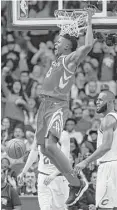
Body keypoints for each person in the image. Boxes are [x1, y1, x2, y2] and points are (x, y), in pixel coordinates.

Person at [20, 9, 94, 206]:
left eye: (59, 41)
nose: (55, 43)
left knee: (52, 145)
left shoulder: (69, 59)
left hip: (57, 106)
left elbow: (88, 46)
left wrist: (89, 20)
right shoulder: (56, 60)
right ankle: (74, 182)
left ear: (68, 46)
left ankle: (76, 183)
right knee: (43, 149)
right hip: (44, 106)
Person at [75, 90, 117, 210]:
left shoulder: (108, 120)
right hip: (113, 164)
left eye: (100, 100)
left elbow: (106, 146)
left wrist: (85, 161)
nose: (96, 102)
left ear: (109, 102)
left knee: (104, 208)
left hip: (109, 167)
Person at [18, 131, 70, 210]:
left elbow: (65, 161)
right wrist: (23, 171)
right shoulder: (40, 131)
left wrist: (54, 174)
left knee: (61, 208)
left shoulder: (63, 134)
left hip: (59, 177)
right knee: (44, 208)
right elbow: (34, 152)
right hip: (43, 176)